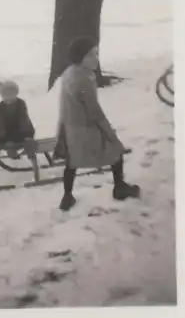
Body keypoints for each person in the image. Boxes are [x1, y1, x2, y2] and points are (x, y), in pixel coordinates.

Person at [54, 36, 140, 211]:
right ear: (80, 58)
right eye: (91, 55)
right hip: (85, 129)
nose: (96, 59)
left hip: (69, 127)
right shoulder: (84, 79)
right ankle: (119, 187)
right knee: (115, 150)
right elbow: (94, 111)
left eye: (96, 54)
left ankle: (67, 196)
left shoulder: (69, 72)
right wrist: (109, 133)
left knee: (72, 162)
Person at [0, 80, 40, 181]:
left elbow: (22, 120)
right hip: (12, 135)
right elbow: (0, 124)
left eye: (10, 96)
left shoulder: (16, 104)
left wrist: (25, 135)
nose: (8, 100)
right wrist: (3, 138)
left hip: (19, 135)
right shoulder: (5, 106)